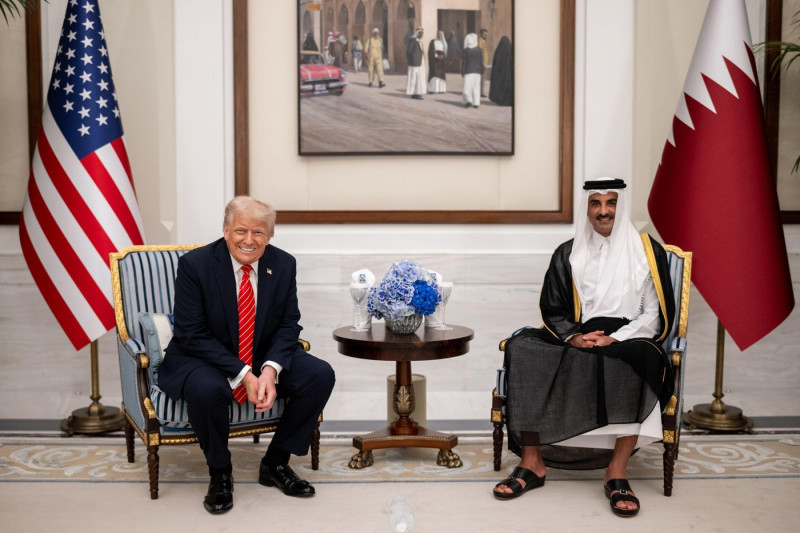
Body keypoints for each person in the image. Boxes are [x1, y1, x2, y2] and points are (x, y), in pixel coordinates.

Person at [492, 178, 675, 519]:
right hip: (577, 331)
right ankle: (533, 463)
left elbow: (655, 312)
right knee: (522, 348)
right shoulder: (568, 252)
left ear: (621, 207)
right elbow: (553, 307)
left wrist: (615, 339)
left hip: (628, 334)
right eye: (596, 203)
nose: (603, 211)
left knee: (645, 358)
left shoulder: (648, 251)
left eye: (611, 203)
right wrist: (573, 336)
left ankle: (616, 472)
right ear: (587, 209)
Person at [159, 196, 336, 515]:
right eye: (241, 230)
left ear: (269, 236)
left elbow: (288, 323)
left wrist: (269, 371)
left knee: (319, 375)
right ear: (225, 229)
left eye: (259, 232)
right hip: (203, 356)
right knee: (206, 388)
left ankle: (276, 463)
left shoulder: (283, 264)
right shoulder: (195, 265)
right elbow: (191, 333)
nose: (249, 240)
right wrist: (243, 374)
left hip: (259, 355)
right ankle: (220, 473)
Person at [489, 36, 513, 106]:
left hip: (499, 75)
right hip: (508, 75)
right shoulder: (510, 51)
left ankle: (499, 99)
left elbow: (495, 65)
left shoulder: (498, 51)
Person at [462, 33, 484, 108]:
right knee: (476, 88)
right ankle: (476, 103)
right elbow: (481, 61)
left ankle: (469, 101)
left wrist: (463, 71)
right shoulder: (479, 50)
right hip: (477, 71)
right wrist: (482, 70)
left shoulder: (466, 50)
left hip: (468, 71)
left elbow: (464, 62)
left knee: (467, 88)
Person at [406, 27, 426, 100]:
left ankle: (417, 93)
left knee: (419, 78)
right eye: (420, 33)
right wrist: (412, 60)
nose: (421, 35)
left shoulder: (419, 41)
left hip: (420, 63)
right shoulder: (413, 40)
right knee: (414, 78)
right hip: (414, 63)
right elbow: (409, 52)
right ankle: (414, 93)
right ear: (417, 33)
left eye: (422, 33)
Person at [477, 28, 490, 96]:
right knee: (482, 78)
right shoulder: (480, 41)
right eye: (484, 35)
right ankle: (481, 92)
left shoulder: (483, 41)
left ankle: (481, 92)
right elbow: (480, 52)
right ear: (481, 34)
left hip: (484, 62)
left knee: (483, 78)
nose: (486, 36)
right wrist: (482, 63)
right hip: (482, 63)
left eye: (486, 35)